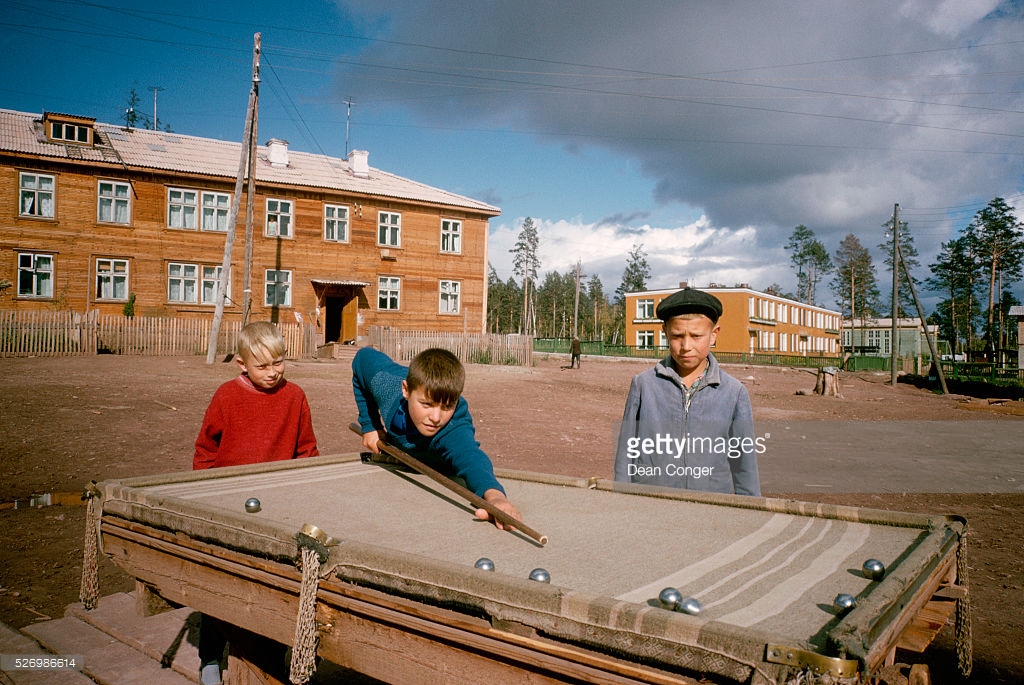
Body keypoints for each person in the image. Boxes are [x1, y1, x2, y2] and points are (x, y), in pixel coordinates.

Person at [193, 321, 319, 685]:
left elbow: (307, 450)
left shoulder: (294, 396)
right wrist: (207, 493)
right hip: (230, 502)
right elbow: (205, 449)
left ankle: (274, 653)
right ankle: (210, 657)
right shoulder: (226, 396)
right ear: (242, 364)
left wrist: (307, 491)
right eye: (262, 366)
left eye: (278, 362)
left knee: (276, 580)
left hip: (279, 504)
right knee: (221, 580)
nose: (272, 372)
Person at [352, 346, 521, 528]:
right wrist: (370, 425)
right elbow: (362, 359)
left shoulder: (452, 428)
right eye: (426, 404)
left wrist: (496, 497)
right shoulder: (386, 384)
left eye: (447, 407)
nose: (436, 418)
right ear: (406, 390)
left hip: (441, 465)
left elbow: (470, 458)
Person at [614, 287, 760, 496]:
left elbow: (745, 466)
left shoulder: (734, 392)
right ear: (665, 332)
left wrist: (749, 512)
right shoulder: (643, 385)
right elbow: (625, 455)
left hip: (712, 507)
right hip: (651, 504)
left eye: (696, 335)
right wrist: (621, 501)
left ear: (713, 335)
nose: (686, 346)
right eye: (677, 336)